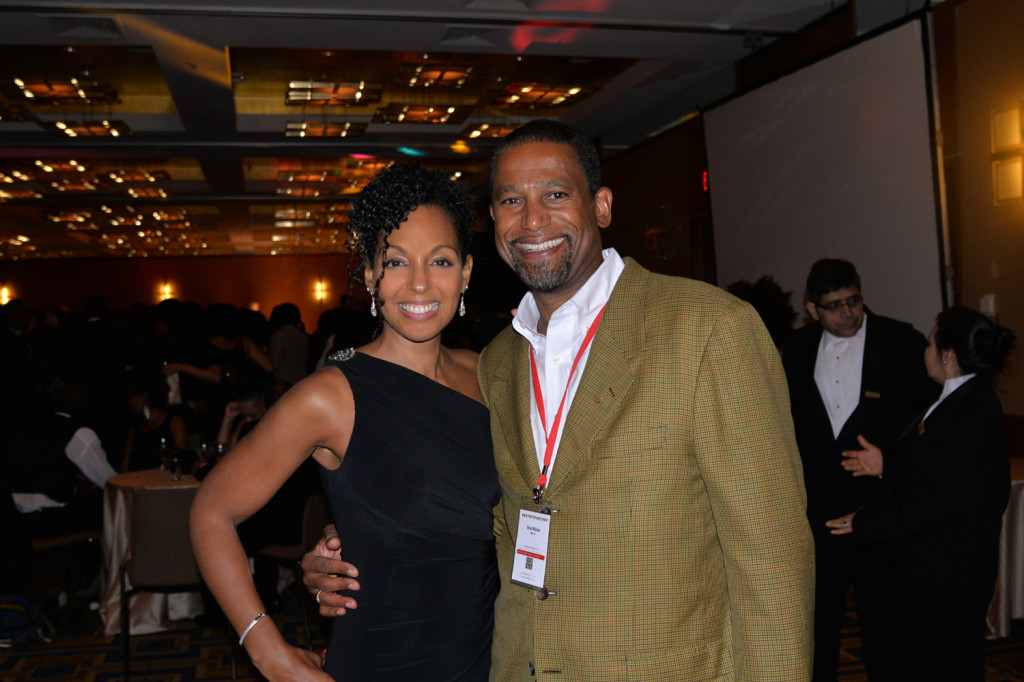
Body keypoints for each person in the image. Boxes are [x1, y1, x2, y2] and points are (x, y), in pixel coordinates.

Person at [305, 119, 814, 680]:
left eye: (555, 194)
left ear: (601, 206)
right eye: (510, 200)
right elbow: (479, 517)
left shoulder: (708, 329)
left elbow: (773, 563)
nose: (532, 219)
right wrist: (359, 547)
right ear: (493, 221)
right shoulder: (496, 363)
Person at [189, 163, 497, 681]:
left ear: (465, 272)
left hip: (488, 658)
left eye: (439, 261)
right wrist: (270, 653)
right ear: (372, 276)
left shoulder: (488, 373)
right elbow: (210, 512)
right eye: (396, 262)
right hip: (385, 661)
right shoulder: (330, 396)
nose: (419, 282)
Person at [826, 307, 1016, 681]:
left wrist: (864, 522)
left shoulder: (970, 411)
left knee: (943, 666)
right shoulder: (958, 399)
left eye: (931, 342)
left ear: (948, 355)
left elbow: (931, 501)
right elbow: (937, 474)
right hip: (941, 569)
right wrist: (886, 465)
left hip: (947, 573)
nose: (925, 350)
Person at [781, 258, 937, 682]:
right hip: (817, 512)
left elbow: (930, 426)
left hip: (880, 510)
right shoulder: (793, 350)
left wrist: (891, 463)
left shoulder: (902, 342)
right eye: (834, 305)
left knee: (885, 622)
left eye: (854, 300)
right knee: (817, 622)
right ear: (812, 308)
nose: (848, 313)